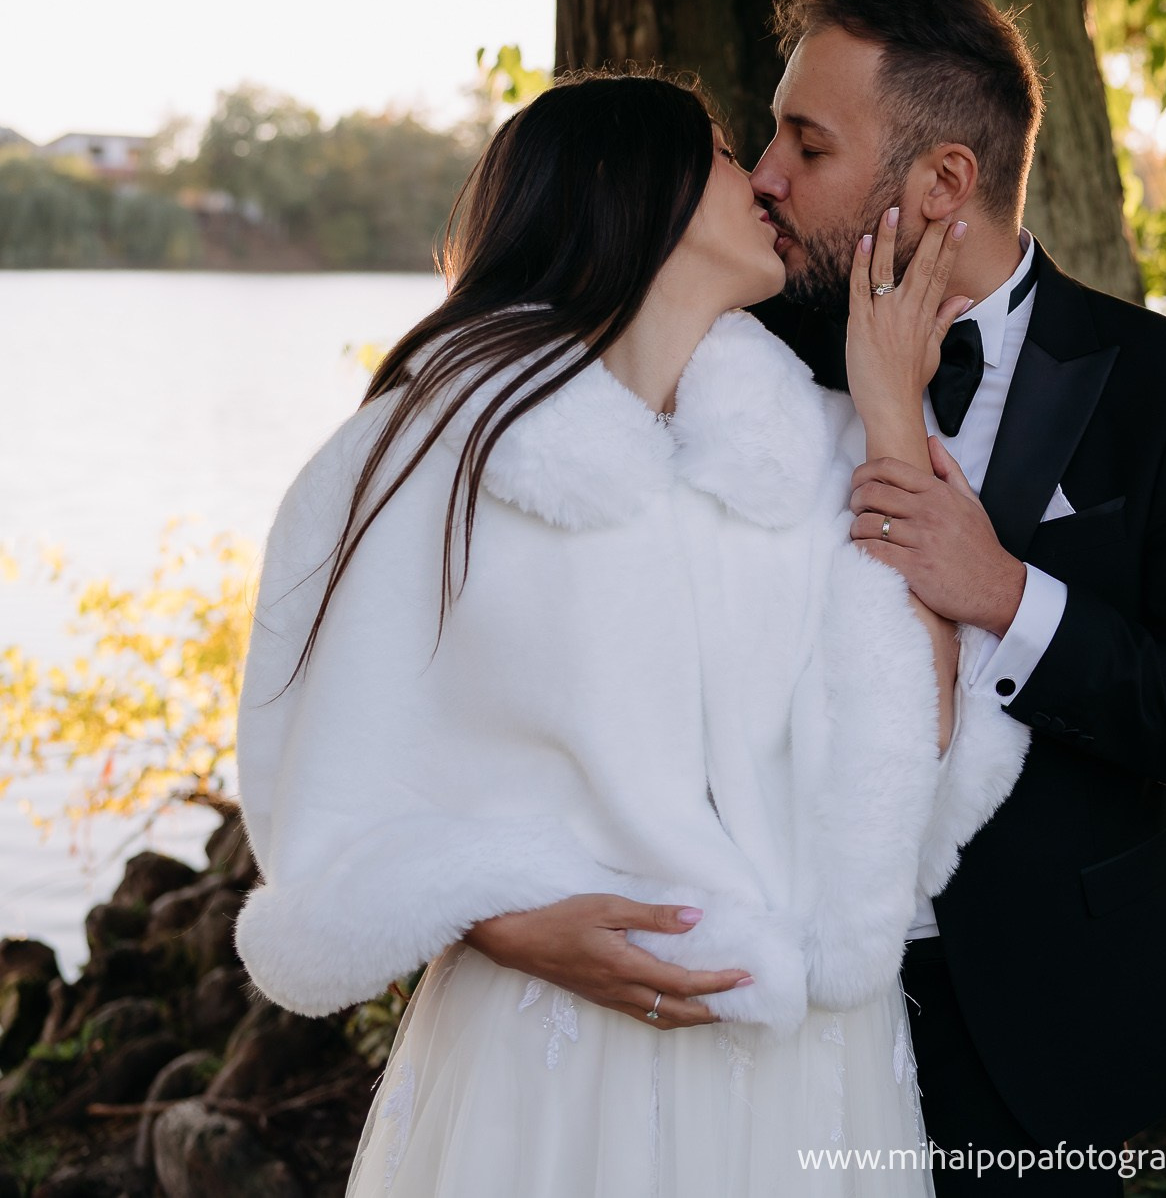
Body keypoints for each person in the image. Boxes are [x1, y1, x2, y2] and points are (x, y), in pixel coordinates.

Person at [230, 71, 1032, 1196]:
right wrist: (494, 917)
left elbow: (913, 753)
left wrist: (891, 413)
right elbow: (323, 785)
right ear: (629, 187)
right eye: (715, 150)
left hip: (804, 1062)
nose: (758, 176)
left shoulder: (808, 448)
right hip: (554, 1050)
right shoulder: (423, 452)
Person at [747, 0, 1166, 1192]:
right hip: (779, 999)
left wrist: (1007, 597)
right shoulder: (752, 358)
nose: (763, 175)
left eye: (806, 142)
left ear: (942, 183)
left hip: (1052, 1021)